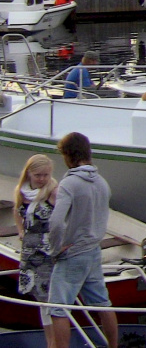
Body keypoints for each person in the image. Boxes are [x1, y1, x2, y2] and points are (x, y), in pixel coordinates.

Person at [47, 133, 119, 348]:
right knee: (102, 304)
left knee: (58, 308)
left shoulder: (70, 183)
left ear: (68, 155)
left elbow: (57, 221)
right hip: (94, 251)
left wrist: (55, 249)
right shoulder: (102, 182)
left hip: (73, 253)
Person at [14, 155, 58, 348]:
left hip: (48, 253)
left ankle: (54, 342)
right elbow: (17, 210)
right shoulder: (22, 191)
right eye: (38, 175)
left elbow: (65, 217)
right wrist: (21, 231)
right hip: (30, 251)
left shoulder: (53, 192)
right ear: (29, 173)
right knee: (40, 299)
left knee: (48, 297)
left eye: (46, 175)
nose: (42, 179)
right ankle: (50, 341)